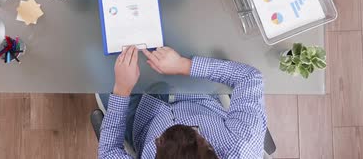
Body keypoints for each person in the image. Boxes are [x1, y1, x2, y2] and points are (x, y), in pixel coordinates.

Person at [98, 46, 267, 158]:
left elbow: (108, 152)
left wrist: (121, 89)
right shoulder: (243, 147)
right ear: (209, 147)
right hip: (196, 94)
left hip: (143, 120)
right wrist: (184, 65)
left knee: (97, 59)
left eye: (160, 141)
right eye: (194, 130)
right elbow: (249, 78)